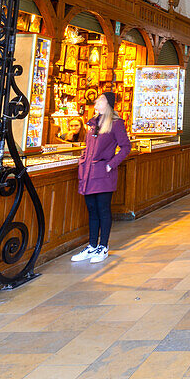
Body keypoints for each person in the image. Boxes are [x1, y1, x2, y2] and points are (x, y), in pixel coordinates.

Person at [72, 92, 131, 264]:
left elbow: (126, 147)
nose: (96, 103)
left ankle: (103, 246)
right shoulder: (93, 124)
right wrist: (83, 159)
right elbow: (89, 146)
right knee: (92, 210)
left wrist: (110, 164)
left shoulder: (116, 124)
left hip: (103, 174)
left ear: (107, 104)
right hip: (89, 174)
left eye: (99, 101)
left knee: (103, 209)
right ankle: (92, 245)